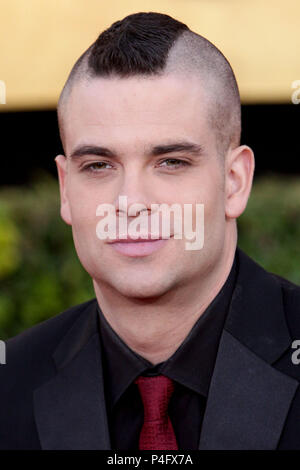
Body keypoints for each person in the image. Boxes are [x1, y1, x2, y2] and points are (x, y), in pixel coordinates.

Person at [1, 11, 300, 451]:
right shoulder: (10, 386)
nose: (131, 202)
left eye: (171, 162)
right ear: (66, 189)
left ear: (235, 181)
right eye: (99, 165)